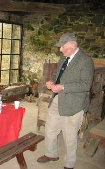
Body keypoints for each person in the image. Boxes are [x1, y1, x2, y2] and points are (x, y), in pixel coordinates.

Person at [37, 32, 94, 169]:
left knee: (69, 136)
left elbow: (86, 85)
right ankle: (51, 154)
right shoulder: (64, 58)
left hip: (73, 104)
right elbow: (58, 74)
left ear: (72, 45)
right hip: (58, 99)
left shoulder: (85, 61)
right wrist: (52, 82)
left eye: (62, 47)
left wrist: (62, 87)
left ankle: (69, 164)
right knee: (50, 129)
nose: (60, 49)